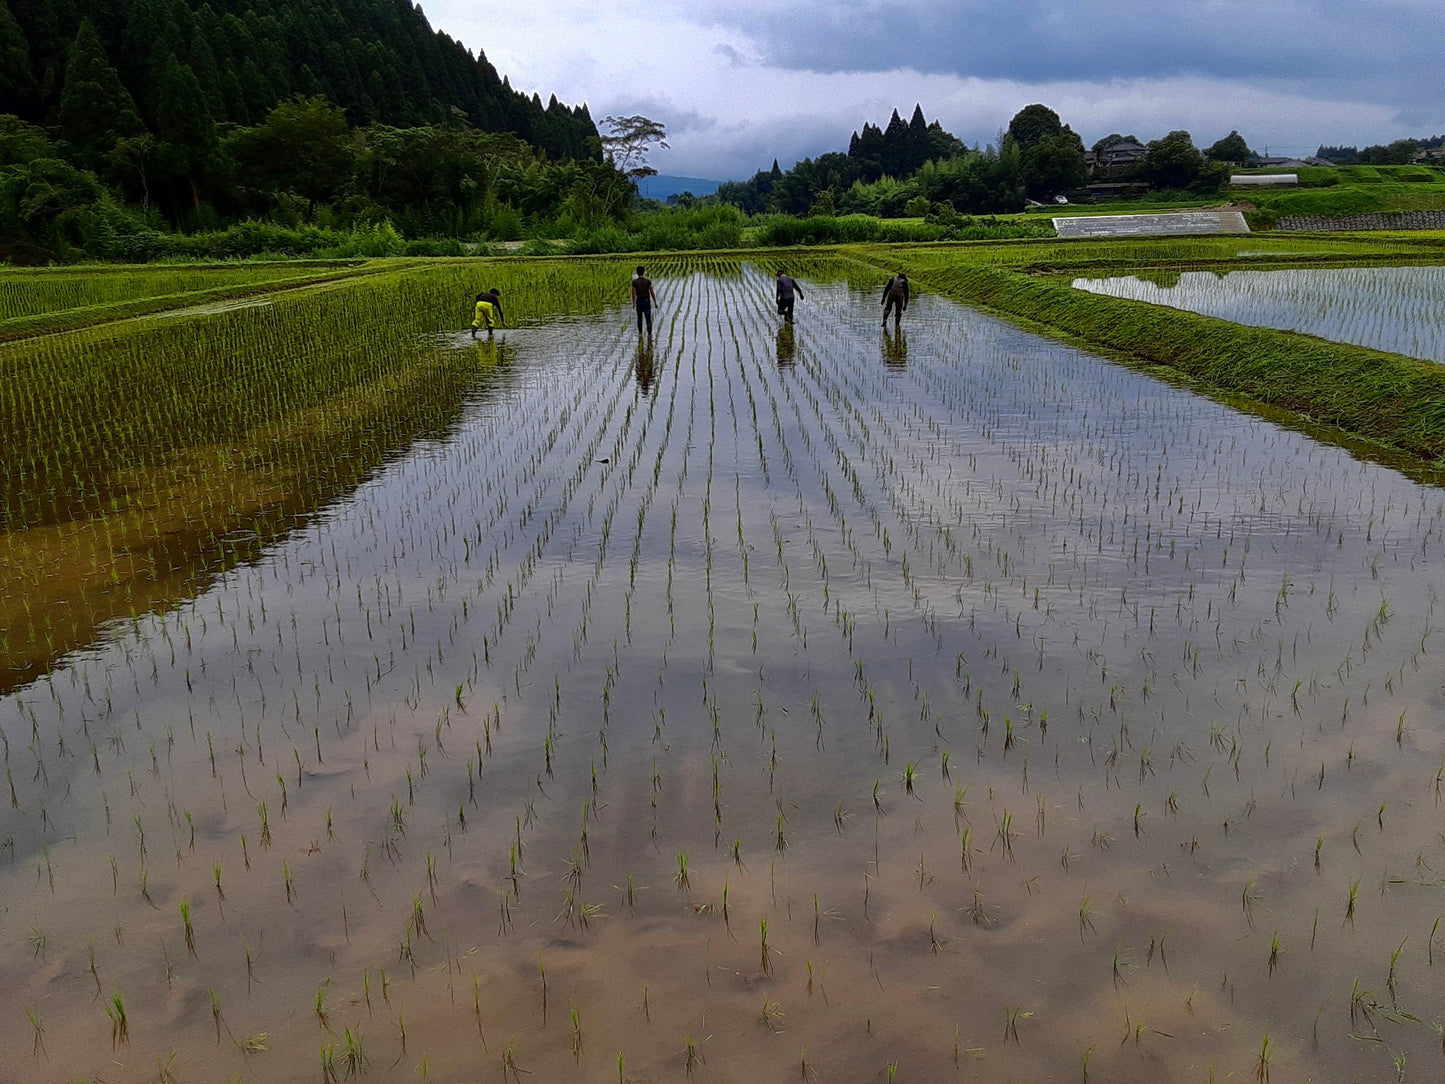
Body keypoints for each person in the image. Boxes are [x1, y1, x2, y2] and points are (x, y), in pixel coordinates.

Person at [631, 265, 658, 335]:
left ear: (637, 273)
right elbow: (652, 292)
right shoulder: (648, 281)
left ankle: (640, 334)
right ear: (644, 272)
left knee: (639, 318)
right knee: (648, 319)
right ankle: (650, 335)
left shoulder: (635, 282)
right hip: (646, 301)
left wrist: (633, 303)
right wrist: (655, 302)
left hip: (639, 302)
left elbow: (633, 294)